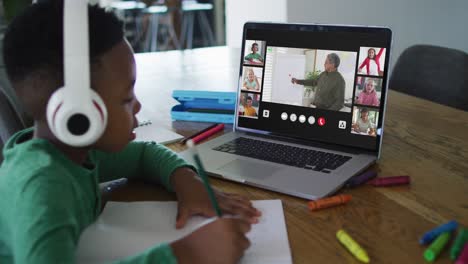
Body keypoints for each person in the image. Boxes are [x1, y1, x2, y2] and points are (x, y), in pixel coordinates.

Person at [0, 2, 260, 264]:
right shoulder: (42, 188)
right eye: (126, 98)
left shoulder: (73, 153)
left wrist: (188, 182)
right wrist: (186, 254)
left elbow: (144, 155)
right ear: (78, 114)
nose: (137, 106)